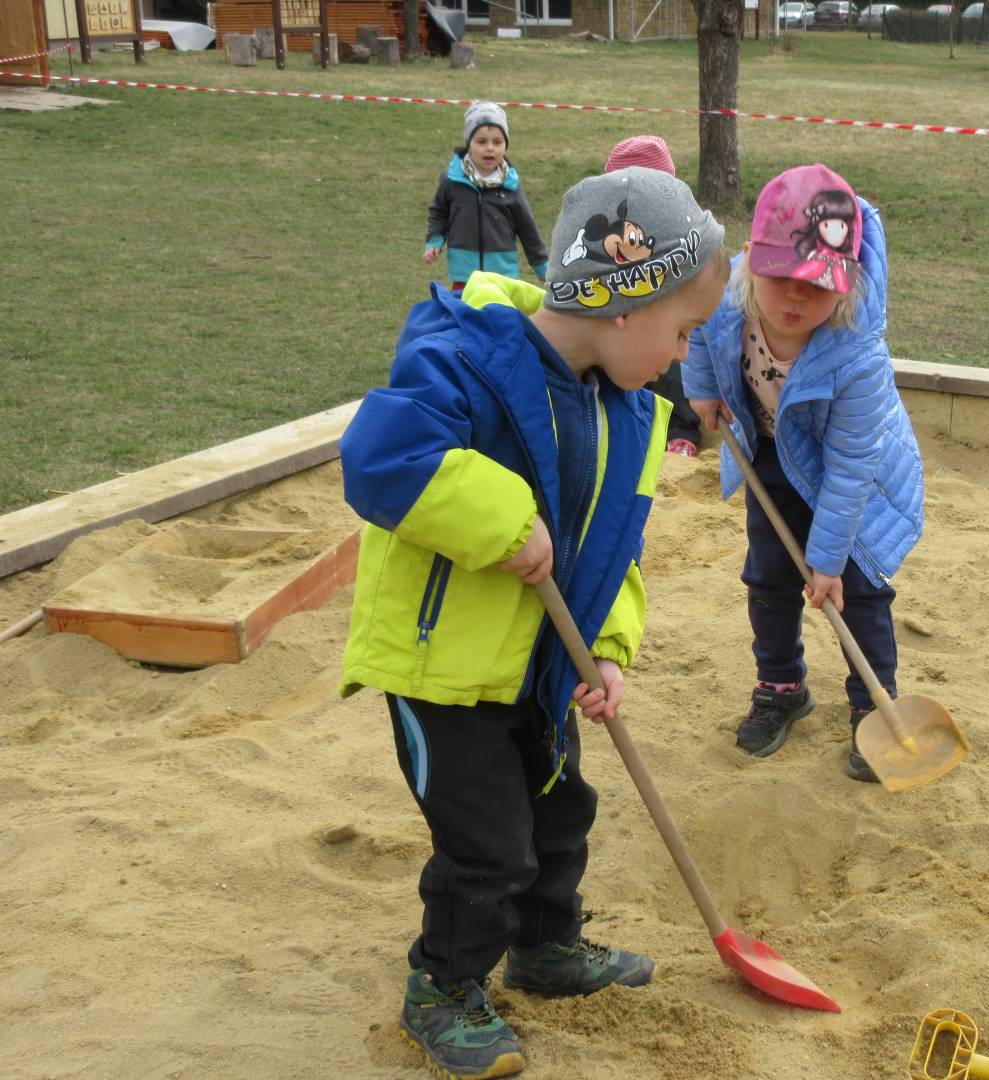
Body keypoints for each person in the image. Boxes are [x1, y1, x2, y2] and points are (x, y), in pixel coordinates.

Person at [342, 166, 727, 1078]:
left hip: (544, 667)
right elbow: (382, 458)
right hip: (444, 669)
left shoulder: (624, 408)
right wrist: (505, 519)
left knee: (560, 814)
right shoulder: (466, 353)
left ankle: (547, 949)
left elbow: (614, 548)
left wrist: (608, 648)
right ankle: (442, 988)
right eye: (682, 331)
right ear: (625, 305)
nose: (681, 358)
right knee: (488, 847)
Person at [682, 163, 923, 784]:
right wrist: (702, 389)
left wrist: (829, 561)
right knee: (768, 577)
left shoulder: (856, 356)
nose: (795, 298)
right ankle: (781, 686)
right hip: (770, 455)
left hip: (854, 480)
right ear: (752, 260)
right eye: (781, 278)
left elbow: (851, 465)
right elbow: (700, 333)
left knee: (856, 592)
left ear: (846, 283)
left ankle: (873, 706)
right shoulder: (727, 296)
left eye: (815, 285)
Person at [603, 134, 703, 458]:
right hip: (620, 324)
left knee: (676, 362)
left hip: (667, 323)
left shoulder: (680, 230)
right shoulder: (607, 232)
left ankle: (681, 431)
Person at [424, 100, 550, 292]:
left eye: (497, 142)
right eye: (481, 142)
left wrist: (544, 270)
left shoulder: (510, 185)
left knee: (498, 313)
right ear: (469, 144)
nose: (490, 148)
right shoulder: (452, 180)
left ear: (505, 146)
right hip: (464, 276)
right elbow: (439, 213)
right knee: (464, 312)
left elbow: (528, 230)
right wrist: (435, 240)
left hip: (502, 276)